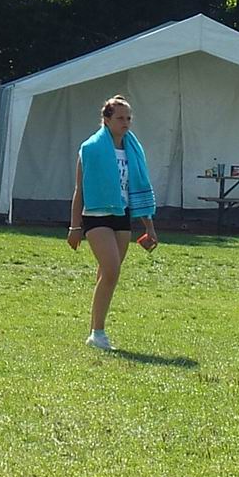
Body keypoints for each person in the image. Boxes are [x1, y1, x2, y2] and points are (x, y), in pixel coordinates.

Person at [67, 94, 158, 350]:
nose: (125, 123)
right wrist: (75, 227)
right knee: (112, 270)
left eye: (128, 118)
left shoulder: (133, 150)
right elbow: (79, 190)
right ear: (106, 120)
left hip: (122, 215)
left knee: (106, 275)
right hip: (97, 216)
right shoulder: (90, 149)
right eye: (120, 118)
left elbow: (137, 188)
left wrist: (149, 227)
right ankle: (98, 333)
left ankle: (95, 331)